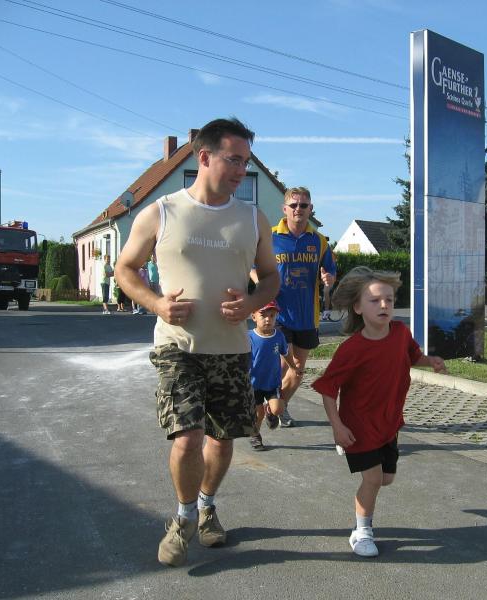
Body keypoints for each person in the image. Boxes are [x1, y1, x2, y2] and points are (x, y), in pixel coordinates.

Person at [115, 117, 280, 568]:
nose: (241, 171)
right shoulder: (161, 212)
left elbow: (270, 278)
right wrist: (157, 304)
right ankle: (184, 517)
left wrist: (250, 305)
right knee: (188, 437)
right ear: (204, 157)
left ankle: (207, 506)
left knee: (222, 440)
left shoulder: (253, 218)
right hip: (178, 346)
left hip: (231, 348)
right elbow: (125, 269)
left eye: (245, 163)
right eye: (234, 160)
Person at [311, 266, 447, 558]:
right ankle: (362, 533)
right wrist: (337, 426)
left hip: (389, 423)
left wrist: (430, 361)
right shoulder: (351, 350)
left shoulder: (400, 333)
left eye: (389, 299)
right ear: (358, 307)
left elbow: (412, 355)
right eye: (375, 300)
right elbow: (327, 389)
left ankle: (353, 460)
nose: (384, 305)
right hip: (358, 426)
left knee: (386, 479)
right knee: (372, 480)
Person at [258, 186, 336, 427]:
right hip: (278, 314)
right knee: (283, 364)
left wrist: (329, 279)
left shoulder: (319, 241)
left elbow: (330, 271)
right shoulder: (270, 237)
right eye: (293, 205)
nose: (298, 209)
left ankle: (278, 407)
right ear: (285, 209)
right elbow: (251, 265)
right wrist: (261, 282)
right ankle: (260, 408)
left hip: (307, 316)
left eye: (303, 205)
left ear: (310, 209)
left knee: (299, 369)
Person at [247, 299, 299, 451]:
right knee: (258, 414)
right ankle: (255, 435)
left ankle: (270, 412)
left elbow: (286, 353)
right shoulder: (248, 337)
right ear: (254, 317)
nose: (268, 319)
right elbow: (240, 358)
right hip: (253, 384)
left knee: (278, 409)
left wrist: (293, 367)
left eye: (272, 316)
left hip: (272, 383)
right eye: (263, 315)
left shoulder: (279, 336)